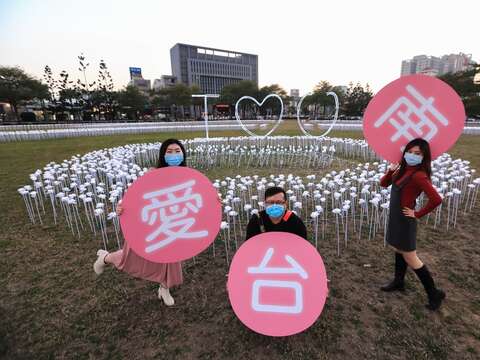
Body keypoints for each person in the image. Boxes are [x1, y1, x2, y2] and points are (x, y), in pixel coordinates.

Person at [93, 138, 186, 306]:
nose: (174, 155)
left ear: (183, 154)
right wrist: (122, 207)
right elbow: (136, 195)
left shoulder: (189, 176)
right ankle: (105, 258)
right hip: (152, 225)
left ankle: (164, 288)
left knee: (171, 259)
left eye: (177, 151)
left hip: (173, 225)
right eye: (169, 151)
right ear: (163, 155)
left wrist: (215, 200)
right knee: (133, 257)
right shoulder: (153, 174)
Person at [379, 138, 444, 311]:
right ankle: (399, 282)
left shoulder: (418, 175)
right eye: (410, 152)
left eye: (417, 154)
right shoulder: (403, 169)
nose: (412, 156)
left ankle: (434, 293)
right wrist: (390, 171)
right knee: (398, 249)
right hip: (396, 218)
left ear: (424, 157)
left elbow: (436, 199)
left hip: (405, 221)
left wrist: (417, 213)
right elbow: (383, 184)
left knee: (411, 258)